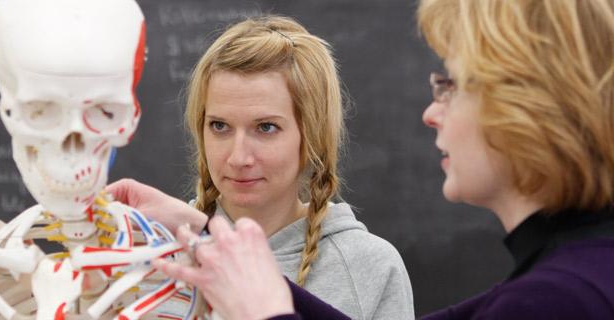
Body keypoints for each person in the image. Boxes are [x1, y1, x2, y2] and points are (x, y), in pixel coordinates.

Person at [142, 0, 614, 319]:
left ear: (530, 108)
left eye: (455, 84)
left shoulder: (558, 298)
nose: (432, 111)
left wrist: (267, 310)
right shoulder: (566, 276)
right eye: (219, 125)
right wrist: (209, 235)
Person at [108, 15, 414, 319]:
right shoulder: (149, 256)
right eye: (219, 126)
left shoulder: (369, 268)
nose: (239, 158)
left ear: (312, 135)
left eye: (265, 128)